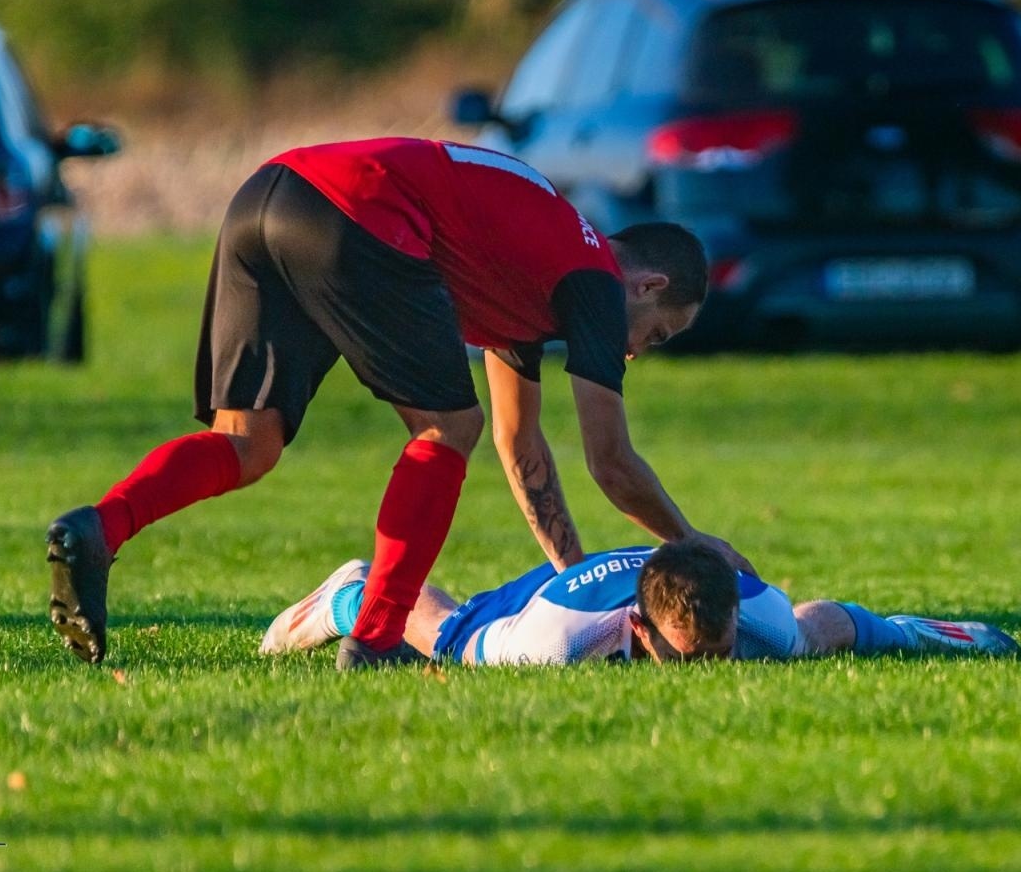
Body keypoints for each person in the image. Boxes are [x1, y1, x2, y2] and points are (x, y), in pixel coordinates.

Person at [45, 137, 751, 670]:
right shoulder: (593, 275)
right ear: (649, 284)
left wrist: (578, 580)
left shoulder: (534, 274)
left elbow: (522, 447)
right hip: (352, 212)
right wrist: (696, 547)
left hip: (268, 196)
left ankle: (100, 527)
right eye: (655, 335)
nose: (635, 352)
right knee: (448, 426)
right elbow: (612, 461)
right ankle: (377, 636)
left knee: (247, 444)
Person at [260, 540, 1019, 665]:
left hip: (677, 571)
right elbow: (460, 637)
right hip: (552, 591)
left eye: (718, 656)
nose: (709, 674)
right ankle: (348, 590)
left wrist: (936, 635)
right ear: (639, 631)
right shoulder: (552, 640)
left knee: (808, 639)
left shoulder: (757, 620)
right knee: (449, 636)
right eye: (690, 662)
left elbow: (836, 621)